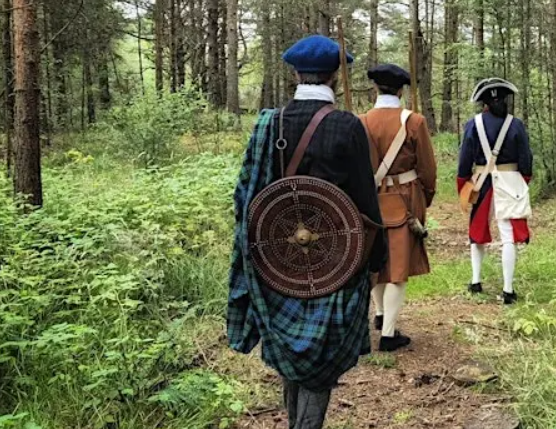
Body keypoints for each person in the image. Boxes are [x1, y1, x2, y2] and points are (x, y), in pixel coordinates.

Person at [226, 35, 387, 429]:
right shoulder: (347, 125)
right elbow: (366, 203)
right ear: (334, 76)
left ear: (296, 73)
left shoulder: (269, 123)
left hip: (276, 260)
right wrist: (377, 259)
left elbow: (244, 196)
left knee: (292, 352)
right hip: (335, 262)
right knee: (319, 358)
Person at [359, 64, 437, 352]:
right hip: (405, 198)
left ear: (375, 88)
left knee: (376, 261)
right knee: (398, 266)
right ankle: (389, 334)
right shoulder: (413, 122)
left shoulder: (361, 121)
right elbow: (427, 168)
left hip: (369, 199)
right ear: (402, 90)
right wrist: (425, 198)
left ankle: (380, 316)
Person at [456, 78, 533, 305]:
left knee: (476, 232)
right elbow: (526, 160)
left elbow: (464, 160)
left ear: (484, 103)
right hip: (510, 181)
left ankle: (475, 281)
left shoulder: (473, 124)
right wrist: (522, 180)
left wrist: (463, 184)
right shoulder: (516, 125)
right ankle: (508, 290)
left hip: (482, 182)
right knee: (508, 235)